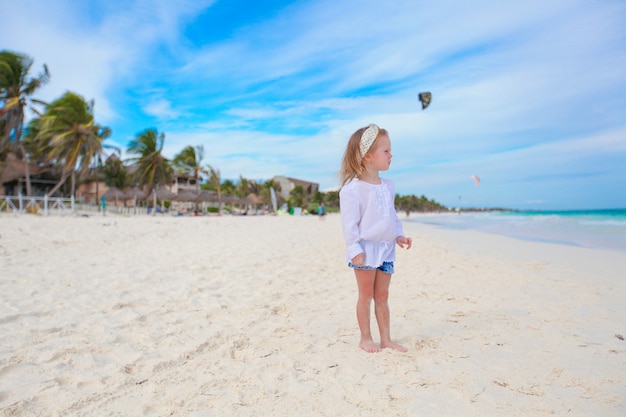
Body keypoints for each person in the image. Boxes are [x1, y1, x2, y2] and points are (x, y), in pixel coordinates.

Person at [339, 124, 412, 353]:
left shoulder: (388, 186)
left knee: (382, 296)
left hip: (387, 248)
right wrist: (354, 249)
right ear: (368, 156)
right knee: (366, 295)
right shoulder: (352, 190)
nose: (391, 155)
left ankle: (386, 339)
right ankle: (365, 338)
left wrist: (398, 235)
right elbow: (349, 224)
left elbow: (391, 215)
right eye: (386, 151)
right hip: (365, 249)